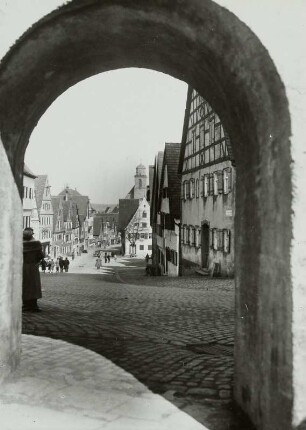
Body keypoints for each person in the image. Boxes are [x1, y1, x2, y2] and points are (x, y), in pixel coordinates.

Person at [22, 227, 44, 312]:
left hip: (23, 267)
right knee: (34, 286)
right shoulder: (36, 244)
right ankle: (33, 305)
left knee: (25, 286)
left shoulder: (19, 244)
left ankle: (25, 305)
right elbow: (41, 256)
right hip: (33, 267)